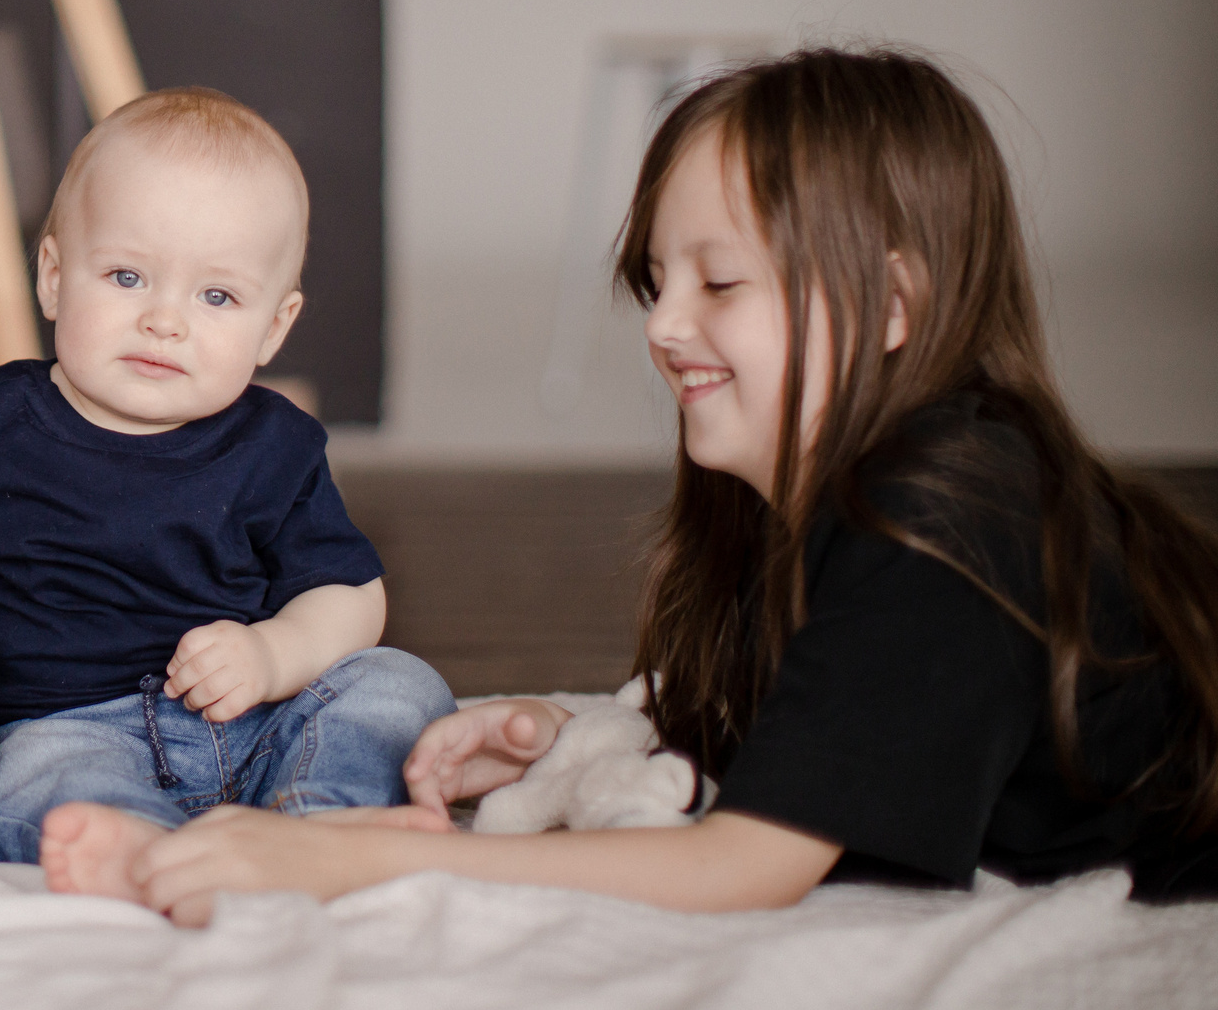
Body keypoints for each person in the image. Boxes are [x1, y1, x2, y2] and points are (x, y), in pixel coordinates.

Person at [112, 48, 1218, 922]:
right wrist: (565, 736)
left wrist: (339, 866)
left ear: (891, 307)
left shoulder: (948, 506)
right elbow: (810, 741)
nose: (664, 326)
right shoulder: (814, 506)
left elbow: (745, 866)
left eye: (719, 281)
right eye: (656, 281)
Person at [0, 88, 454, 887]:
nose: (165, 320)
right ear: (54, 276)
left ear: (273, 327)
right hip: (63, 729)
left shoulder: (274, 445)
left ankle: (322, 819)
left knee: (396, 684)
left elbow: (352, 596)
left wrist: (274, 652)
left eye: (217, 296)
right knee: (31, 776)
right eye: (128, 275)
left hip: (250, 721)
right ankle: (144, 851)